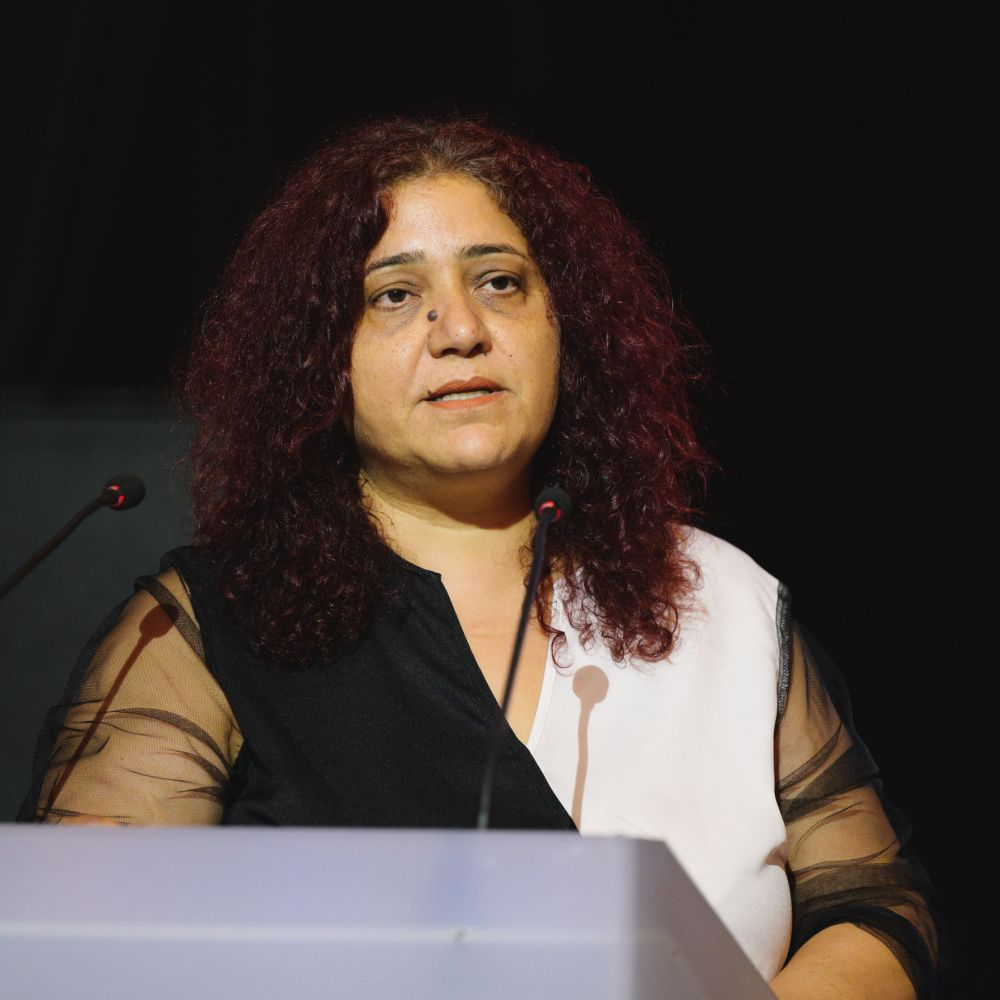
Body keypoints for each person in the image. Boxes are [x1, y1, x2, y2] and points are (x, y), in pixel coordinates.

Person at [19, 115, 943, 997]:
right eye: (394, 295)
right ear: (320, 358)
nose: (460, 328)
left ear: (564, 326)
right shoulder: (211, 626)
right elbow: (92, 947)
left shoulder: (718, 600)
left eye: (500, 282)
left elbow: (873, 903)